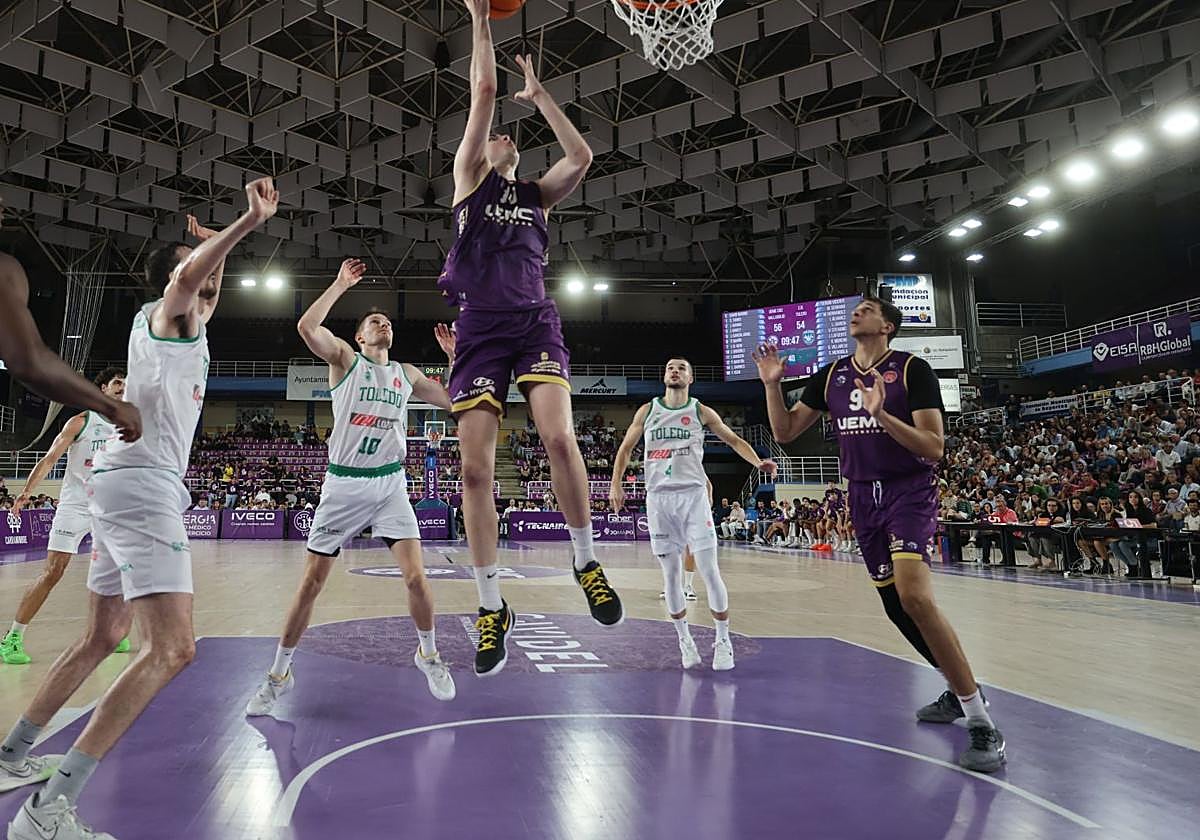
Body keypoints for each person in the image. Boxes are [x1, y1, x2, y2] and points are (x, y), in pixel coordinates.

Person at [1, 185, 275, 839]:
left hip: (120, 485)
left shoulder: (186, 322)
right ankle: (48, 810)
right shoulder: (164, 311)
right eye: (197, 267)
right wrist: (245, 223)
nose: (207, 282)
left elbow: (204, 287)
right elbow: (190, 280)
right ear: (176, 277)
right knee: (173, 648)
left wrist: (219, 249)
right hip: (145, 486)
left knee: (101, 637)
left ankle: (11, 756)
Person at [439, 0, 622, 676]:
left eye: (510, 140)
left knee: (558, 439)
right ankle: (492, 608)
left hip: (534, 320)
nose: (504, 139)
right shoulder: (469, 183)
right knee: (476, 470)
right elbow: (483, 89)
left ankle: (585, 560)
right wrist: (481, 18)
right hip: (481, 329)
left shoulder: (537, 196)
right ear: (484, 152)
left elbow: (583, 154)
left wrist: (542, 95)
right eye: (496, 138)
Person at [755, 294, 1006, 772]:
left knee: (915, 597)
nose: (857, 312)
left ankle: (981, 723)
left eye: (868, 308)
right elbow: (786, 432)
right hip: (860, 496)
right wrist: (772, 386)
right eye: (857, 309)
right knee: (896, 608)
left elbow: (933, 447)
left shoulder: (913, 370)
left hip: (907, 492)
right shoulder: (830, 375)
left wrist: (882, 415)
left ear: (888, 325)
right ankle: (958, 689)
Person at [245, 259, 457, 717]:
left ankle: (428, 654)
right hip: (343, 485)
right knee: (310, 584)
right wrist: (340, 284)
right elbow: (306, 325)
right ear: (360, 337)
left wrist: (455, 358)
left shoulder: (405, 373)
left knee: (417, 577)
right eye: (374, 322)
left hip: (390, 484)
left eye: (388, 322)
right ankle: (278, 674)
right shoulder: (344, 360)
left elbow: (456, 402)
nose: (384, 324)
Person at [611, 358, 776, 671]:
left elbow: (733, 440)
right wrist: (615, 484)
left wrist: (757, 463)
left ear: (690, 377)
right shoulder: (647, 411)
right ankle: (684, 640)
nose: (674, 370)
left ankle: (723, 640)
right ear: (664, 375)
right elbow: (625, 449)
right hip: (659, 499)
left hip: (693, 496)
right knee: (671, 576)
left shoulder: (701, 411)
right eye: (670, 367)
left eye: (682, 367)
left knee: (710, 571)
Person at [1, 369, 131, 666]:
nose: (123, 389)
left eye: (126, 385)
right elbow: (49, 460)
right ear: (102, 389)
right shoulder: (81, 422)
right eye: (117, 384)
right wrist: (26, 492)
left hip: (109, 510)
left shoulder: (129, 426)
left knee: (120, 571)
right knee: (53, 572)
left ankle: (113, 630)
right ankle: (12, 638)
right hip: (75, 507)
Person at [0, 243, 139, 441]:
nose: (3, 213)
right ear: (104, 388)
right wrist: (110, 406)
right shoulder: (6, 268)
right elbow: (30, 362)